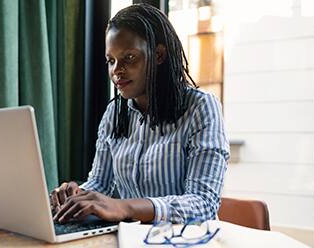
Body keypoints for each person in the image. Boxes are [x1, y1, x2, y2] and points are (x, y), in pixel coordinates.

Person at [51, 3, 229, 224]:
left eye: (129, 58)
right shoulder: (114, 114)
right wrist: (76, 196)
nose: (116, 70)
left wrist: (124, 206)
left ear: (159, 55)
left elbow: (204, 204)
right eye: (111, 61)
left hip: (184, 241)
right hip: (130, 240)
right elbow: (100, 183)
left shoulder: (201, 108)